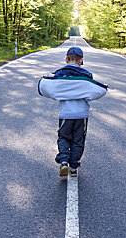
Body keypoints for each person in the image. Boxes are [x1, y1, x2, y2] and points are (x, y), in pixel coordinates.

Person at [38, 46, 107, 177]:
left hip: (65, 113)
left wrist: (45, 79)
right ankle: (74, 168)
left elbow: (51, 88)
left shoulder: (59, 74)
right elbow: (92, 92)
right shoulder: (87, 75)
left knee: (64, 137)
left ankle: (64, 161)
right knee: (78, 140)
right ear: (81, 61)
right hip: (81, 114)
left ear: (66, 60)